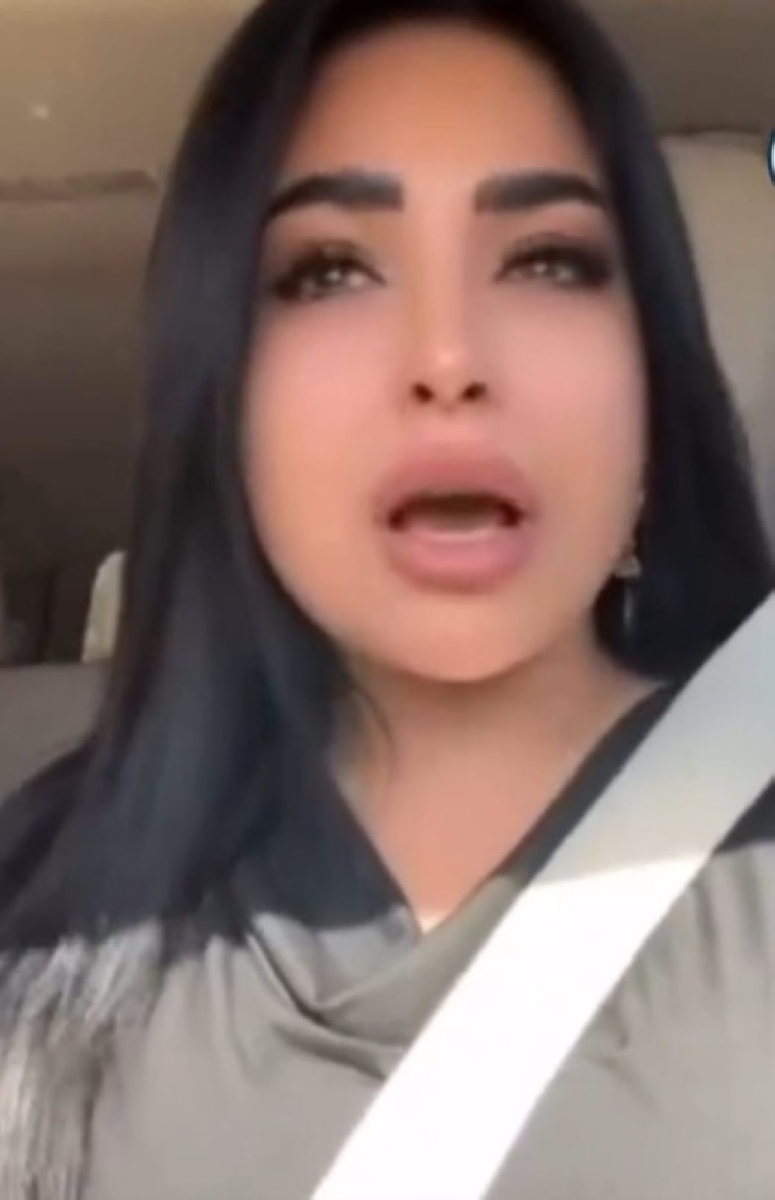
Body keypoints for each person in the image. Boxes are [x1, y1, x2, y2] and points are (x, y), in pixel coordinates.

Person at [0, 0, 773, 1196]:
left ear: (651, 380)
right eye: (329, 270)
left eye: (548, 260)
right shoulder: (44, 909)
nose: (448, 358)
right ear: (225, 400)